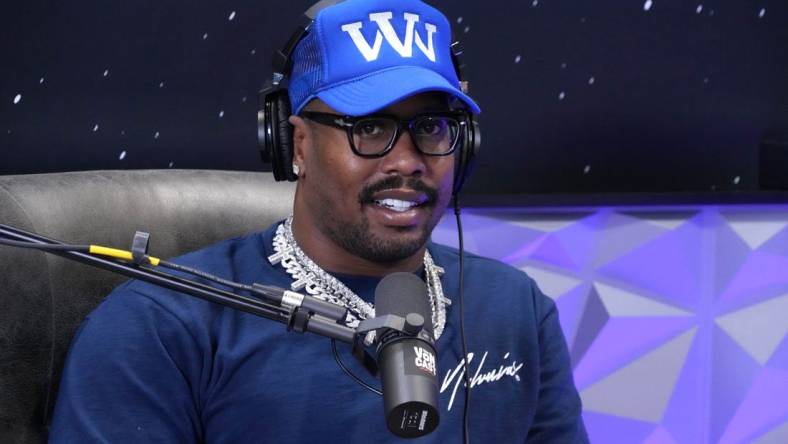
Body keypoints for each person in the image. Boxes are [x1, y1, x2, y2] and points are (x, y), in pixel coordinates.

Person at [50, 0, 588, 442]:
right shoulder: (160, 326)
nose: (407, 161)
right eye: (370, 128)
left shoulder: (518, 308)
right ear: (297, 145)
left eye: (432, 126)